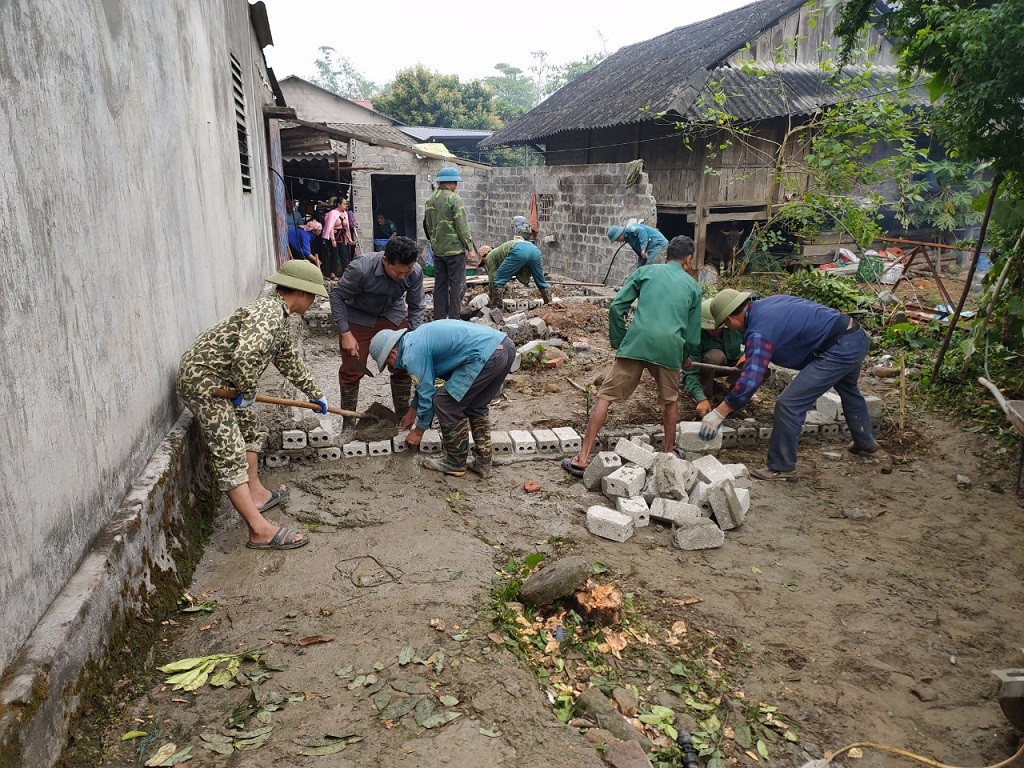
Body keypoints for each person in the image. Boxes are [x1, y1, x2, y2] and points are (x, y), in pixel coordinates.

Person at [176, 260, 329, 551]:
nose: (313, 302)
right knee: (230, 452)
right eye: (313, 296)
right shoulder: (269, 314)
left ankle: (257, 494)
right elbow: (246, 356)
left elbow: (288, 360)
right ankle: (259, 531)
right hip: (206, 383)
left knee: (249, 425)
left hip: (225, 381)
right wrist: (247, 390)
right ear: (302, 293)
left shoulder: (279, 317)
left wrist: (315, 393)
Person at [698, 289, 878, 480]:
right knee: (848, 390)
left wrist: (719, 412)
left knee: (789, 404)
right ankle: (865, 443)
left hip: (838, 349)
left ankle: (782, 467)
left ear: (730, 320)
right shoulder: (767, 304)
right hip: (852, 335)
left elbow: (751, 380)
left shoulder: (759, 331)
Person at [563, 236, 702, 476]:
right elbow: (692, 336)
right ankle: (668, 453)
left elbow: (617, 306)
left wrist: (620, 341)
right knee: (670, 400)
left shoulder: (645, 272)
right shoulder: (693, 287)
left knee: (605, 396)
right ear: (688, 260)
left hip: (637, 343)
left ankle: (582, 457)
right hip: (669, 347)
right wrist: (684, 356)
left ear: (667, 254)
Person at [369, 320, 515, 478]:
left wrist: (418, 432)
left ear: (391, 353)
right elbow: (424, 384)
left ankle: (455, 462)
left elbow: (427, 394)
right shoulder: (415, 340)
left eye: (388, 364)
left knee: (445, 402)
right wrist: (412, 413)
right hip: (504, 346)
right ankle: (483, 462)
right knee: (475, 406)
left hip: (486, 355)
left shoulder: (412, 354)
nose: (391, 368)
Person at [329, 236, 425, 438]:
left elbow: (416, 306)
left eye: (407, 271)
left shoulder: (414, 272)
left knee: (403, 362)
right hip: (359, 316)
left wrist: (414, 337)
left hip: (393, 314)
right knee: (352, 367)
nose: (403, 276)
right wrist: (345, 332)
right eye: (398, 271)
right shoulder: (361, 269)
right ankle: (348, 424)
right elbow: (336, 296)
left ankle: (402, 417)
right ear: (385, 261)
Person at [424, 166, 477, 319]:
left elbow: (426, 225)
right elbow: (462, 225)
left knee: (439, 285)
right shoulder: (454, 199)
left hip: (438, 250)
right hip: (454, 251)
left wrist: (434, 242)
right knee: (457, 285)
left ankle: (439, 318)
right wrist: (469, 247)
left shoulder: (430, 200)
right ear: (451, 183)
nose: (457, 186)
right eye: (456, 183)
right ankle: (454, 318)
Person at [682, 299, 743, 417]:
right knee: (715, 356)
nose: (714, 330)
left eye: (718, 326)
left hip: (731, 365)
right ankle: (707, 394)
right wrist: (701, 398)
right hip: (707, 366)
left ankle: (734, 394)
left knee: (757, 366)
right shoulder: (696, 335)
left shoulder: (735, 326)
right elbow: (690, 371)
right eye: (710, 328)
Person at [482, 215, 554, 306]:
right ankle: (549, 302)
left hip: (519, 250)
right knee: (540, 280)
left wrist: (491, 298)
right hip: (535, 250)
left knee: (498, 279)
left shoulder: (490, 256)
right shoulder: (501, 249)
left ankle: (497, 307)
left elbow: (493, 279)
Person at [321, 197, 352, 280]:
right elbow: (330, 227)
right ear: (339, 204)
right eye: (344, 204)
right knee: (334, 254)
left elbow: (347, 227)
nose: (345, 206)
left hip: (340, 236)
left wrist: (349, 239)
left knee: (344, 254)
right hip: (333, 236)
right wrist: (333, 239)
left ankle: (346, 274)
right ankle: (332, 273)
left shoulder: (345, 213)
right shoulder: (332, 213)